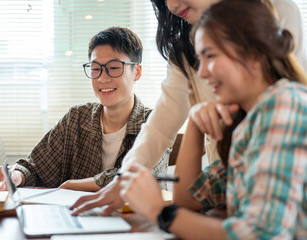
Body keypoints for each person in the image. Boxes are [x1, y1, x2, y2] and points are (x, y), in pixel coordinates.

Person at [70, 0, 307, 216]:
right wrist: (194, 119)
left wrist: (161, 214)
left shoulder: (282, 111)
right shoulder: (242, 142)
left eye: (211, 56)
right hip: (228, 196)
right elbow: (165, 120)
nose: (172, 5)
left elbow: (256, 230)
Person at [0, 27, 169, 192]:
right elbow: (34, 166)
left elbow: (135, 180)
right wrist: (15, 176)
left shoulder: (156, 123)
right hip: (75, 219)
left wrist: (70, 185)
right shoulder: (77, 117)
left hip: (134, 224)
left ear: (137, 72)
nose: (103, 78)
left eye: (113, 68)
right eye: (96, 69)